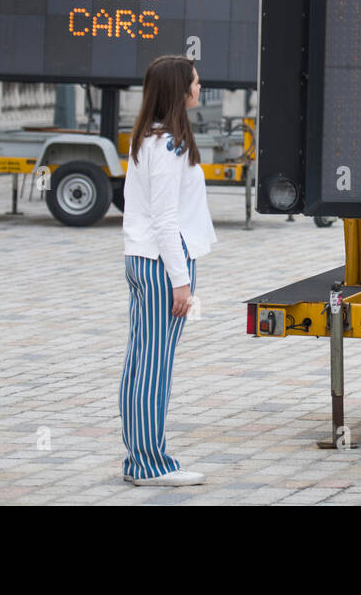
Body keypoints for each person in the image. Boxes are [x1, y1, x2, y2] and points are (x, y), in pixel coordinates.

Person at [118, 55, 217, 485]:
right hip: (164, 264)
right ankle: (148, 463)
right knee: (154, 366)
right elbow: (166, 219)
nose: (199, 87)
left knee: (140, 362)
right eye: (195, 82)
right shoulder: (169, 146)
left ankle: (138, 458)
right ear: (179, 90)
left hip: (142, 260)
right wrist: (181, 281)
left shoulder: (149, 138)